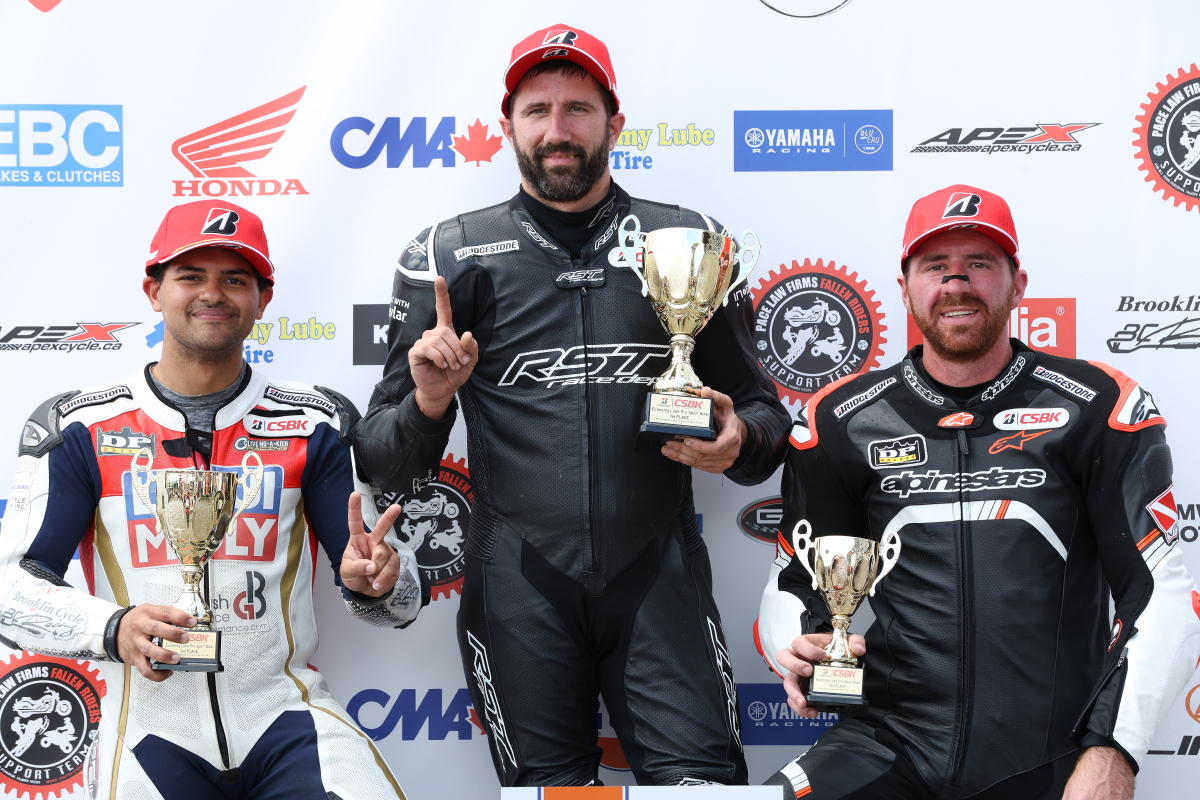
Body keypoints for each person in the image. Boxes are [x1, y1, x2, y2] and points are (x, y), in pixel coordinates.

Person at [354, 23, 790, 788]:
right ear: (508, 126)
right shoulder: (450, 256)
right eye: (537, 110)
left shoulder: (689, 242)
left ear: (614, 124)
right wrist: (429, 400)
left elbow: (765, 420)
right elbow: (384, 460)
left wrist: (737, 440)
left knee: (705, 792)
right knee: (551, 795)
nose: (557, 130)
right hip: (519, 587)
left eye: (578, 109)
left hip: (660, 581)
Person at [756, 185, 1200, 800]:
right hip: (887, 745)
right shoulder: (840, 418)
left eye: (979, 264)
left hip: (1048, 759)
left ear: (1018, 286)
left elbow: (1161, 595)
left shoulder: (1099, 407)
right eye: (935, 266)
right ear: (905, 287)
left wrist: (1113, 750)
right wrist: (798, 645)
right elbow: (792, 581)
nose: (956, 283)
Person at [0, 200, 423, 800]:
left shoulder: (316, 421)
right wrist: (114, 628)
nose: (213, 294)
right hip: (147, 728)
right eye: (191, 275)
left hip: (284, 715)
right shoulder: (79, 426)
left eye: (235, 279)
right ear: (154, 291)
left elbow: (400, 606)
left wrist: (378, 583)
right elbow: (9, 592)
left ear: (262, 299)